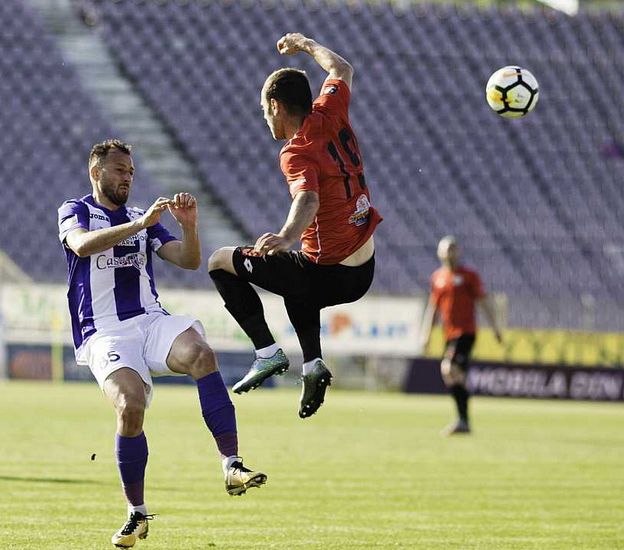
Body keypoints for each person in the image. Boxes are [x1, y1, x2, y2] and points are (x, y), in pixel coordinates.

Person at [58, 139, 266, 548]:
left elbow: (187, 260)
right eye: (119, 170)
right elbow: (81, 245)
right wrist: (138, 226)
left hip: (150, 321)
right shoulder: (76, 210)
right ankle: (136, 514)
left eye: (131, 172)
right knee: (129, 406)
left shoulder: (144, 217)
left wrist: (188, 225)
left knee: (202, 354)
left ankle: (232, 464)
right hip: (103, 330)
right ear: (96, 172)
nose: (127, 178)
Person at [208, 33, 382, 419]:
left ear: (276, 105)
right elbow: (341, 68)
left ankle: (267, 353)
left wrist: (286, 234)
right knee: (295, 273)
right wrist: (305, 44)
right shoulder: (331, 110)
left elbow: (308, 199)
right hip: (365, 267)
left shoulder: (296, 150)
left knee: (220, 261)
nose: (265, 119)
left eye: (264, 110)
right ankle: (312, 364)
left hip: (331, 273)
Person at [419, 236, 503, 435]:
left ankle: (462, 420)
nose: (450, 253)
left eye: (453, 249)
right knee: (455, 377)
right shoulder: (437, 278)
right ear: (440, 253)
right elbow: (433, 309)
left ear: (459, 252)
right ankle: (463, 420)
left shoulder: (469, 275)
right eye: (446, 249)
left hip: (466, 332)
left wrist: (496, 328)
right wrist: (426, 334)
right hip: (449, 334)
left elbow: (483, 302)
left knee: (449, 369)